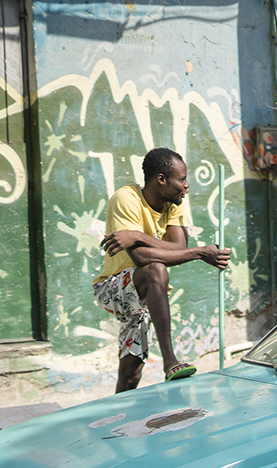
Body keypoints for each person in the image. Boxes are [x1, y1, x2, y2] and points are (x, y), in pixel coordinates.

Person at [92, 148, 231, 392]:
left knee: (130, 375)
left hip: (145, 298)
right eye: (181, 179)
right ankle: (170, 362)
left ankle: (116, 424)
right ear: (161, 179)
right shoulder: (126, 199)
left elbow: (179, 247)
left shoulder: (174, 202)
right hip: (113, 289)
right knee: (156, 269)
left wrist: (136, 235)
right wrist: (199, 253)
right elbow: (140, 256)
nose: (186, 186)